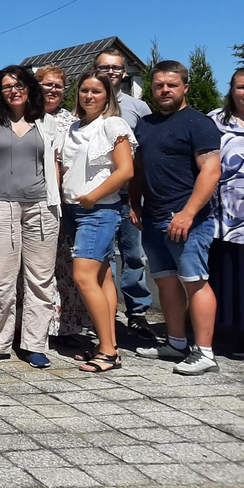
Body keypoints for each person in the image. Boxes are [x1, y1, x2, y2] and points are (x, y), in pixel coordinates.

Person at [132, 61, 223, 375]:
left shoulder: (198, 123)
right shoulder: (145, 124)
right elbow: (140, 169)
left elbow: (211, 171)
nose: (164, 90)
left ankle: (206, 352)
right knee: (166, 282)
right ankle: (175, 343)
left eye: (171, 85)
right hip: (154, 216)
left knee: (195, 283)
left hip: (188, 219)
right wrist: (134, 201)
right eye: (159, 85)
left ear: (185, 86)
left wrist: (188, 213)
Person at [0, 65, 62, 368]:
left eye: (19, 84)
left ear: (29, 88)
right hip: (0, 204)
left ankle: (35, 344)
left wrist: (55, 201)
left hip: (41, 207)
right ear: (0, 90)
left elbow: (56, 165)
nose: (14, 90)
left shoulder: (47, 123)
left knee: (40, 280)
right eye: (7, 86)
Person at [59, 70, 136, 373]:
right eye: (84, 91)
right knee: (102, 278)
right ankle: (109, 344)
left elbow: (125, 170)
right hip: (75, 211)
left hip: (99, 211)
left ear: (108, 96)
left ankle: (107, 351)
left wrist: (92, 197)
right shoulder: (75, 127)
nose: (89, 96)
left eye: (96, 91)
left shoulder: (112, 123)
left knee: (83, 277)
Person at [94, 48, 156, 342]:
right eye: (105, 67)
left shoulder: (138, 108)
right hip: (95, 198)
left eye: (116, 68)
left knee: (133, 256)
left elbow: (142, 157)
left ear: (123, 72)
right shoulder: (89, 102)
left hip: (128, 196)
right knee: (100, 258)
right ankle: (102, 312)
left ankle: (137, 313)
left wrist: (137, 197)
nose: (111, 72)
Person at [34, 64, 89, 344]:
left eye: (58, 86)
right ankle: (35, 326)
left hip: (64, 202)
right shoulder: (26, 117)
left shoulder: (73, 122)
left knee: (64, 265)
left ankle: (65, 327)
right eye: (47, 84)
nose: (53, 90)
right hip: (31, 199)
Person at [210, 68, 244, 358]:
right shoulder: (215, 122)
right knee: (230, 276)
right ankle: (229, 332)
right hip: (225, 217)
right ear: (232, 90)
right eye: (242, 87)